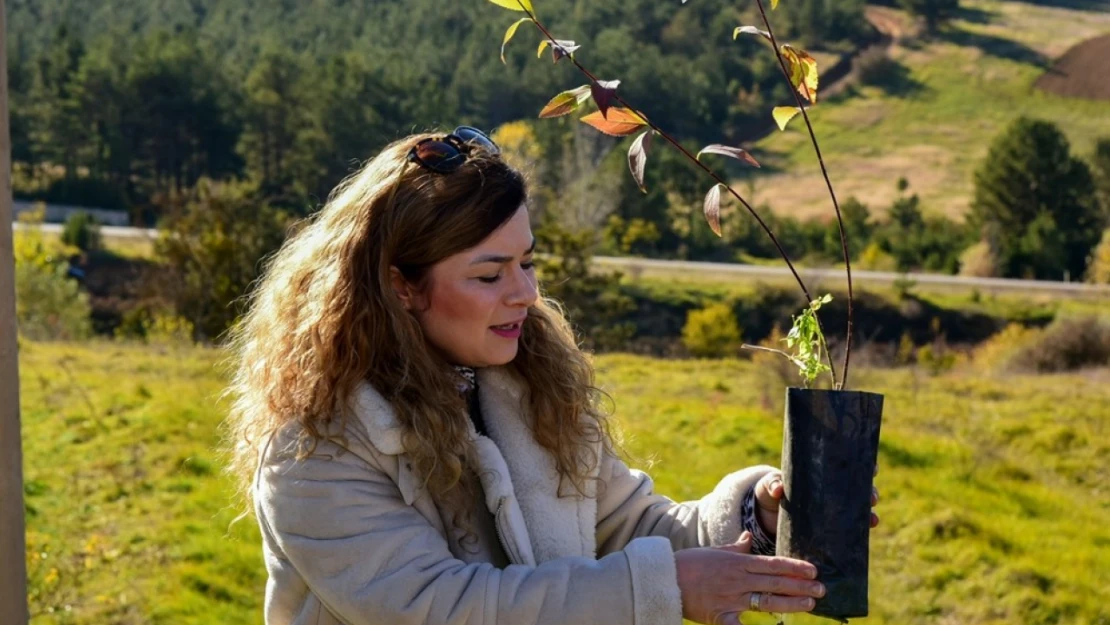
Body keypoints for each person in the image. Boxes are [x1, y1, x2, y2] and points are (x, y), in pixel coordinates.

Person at [225, 127, 880, 625]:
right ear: (400, 286)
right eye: (489, 274)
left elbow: (630, 527)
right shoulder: (316, 447)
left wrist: (755, 518)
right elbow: (442, 607)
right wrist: (666, 587)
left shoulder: (524, 386)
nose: (525, 294)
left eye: (527, 263)